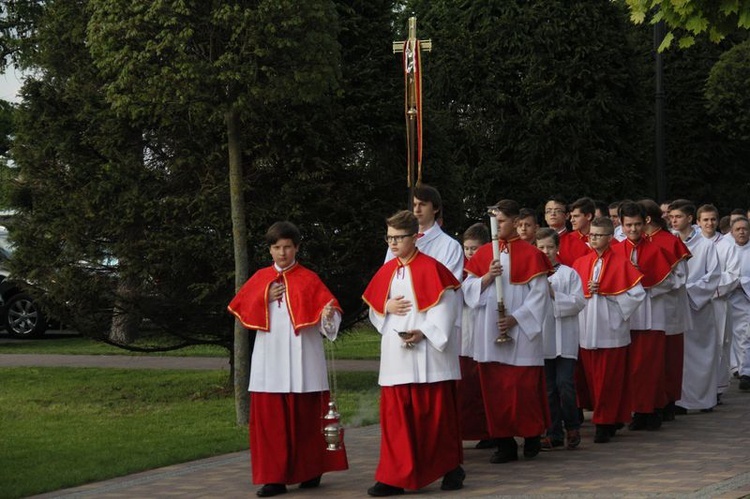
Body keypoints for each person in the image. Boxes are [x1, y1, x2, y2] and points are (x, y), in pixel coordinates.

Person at [227, 221, 348, 498]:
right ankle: (274, 478)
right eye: (277, 248)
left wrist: (329, 317)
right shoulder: (260, 279)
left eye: (288, 247)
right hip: (270, 362)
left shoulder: (310, 278)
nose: (282, 253)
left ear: (297, 248)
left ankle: (310, 470)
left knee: (306, 420)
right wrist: (264, 296)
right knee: (272, 425)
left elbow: (329, 315)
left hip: (304, 360)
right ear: (270, 249)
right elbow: (241, 310)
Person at [363, 210, 465, 496]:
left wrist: (424, 332)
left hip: (430, 357)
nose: (393, 243)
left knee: (435, 419)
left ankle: (450, 468)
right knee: (397, 422)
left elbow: (447, 306)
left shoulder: (433, 268)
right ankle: (393, 477)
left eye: (398, 238)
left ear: (415, 236)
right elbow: (374, 307)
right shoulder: (386, 271)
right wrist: (386, 308)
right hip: (397, 358)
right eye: (389, 237)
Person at [464, 199, 552, 463]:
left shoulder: (532, 254)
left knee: (521, 390)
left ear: (515, 221)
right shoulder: (483, 255)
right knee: (495, 392)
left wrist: (516, 319)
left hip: (521, 336)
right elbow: (467, 290)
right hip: (489, 333)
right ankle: (504, 444)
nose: (497, 225)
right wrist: (487, 277)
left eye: (501, 220)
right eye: (495, 220)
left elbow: (540, 296)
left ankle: (532, 436)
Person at [572, 217, 645, 443]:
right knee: (595, 381)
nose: (593, 238)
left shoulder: (622, 263)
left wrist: (608, 290)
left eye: (598, 235)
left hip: (611, 330)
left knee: (608, 380)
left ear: (610, 237)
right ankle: (611, 418)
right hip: (586, 329)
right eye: (591, 235)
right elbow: (574, 296)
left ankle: (603, 423)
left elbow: (637, 295)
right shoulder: (581, 263)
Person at [611, 202, 677, 431]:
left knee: (651, 366)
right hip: (625, 316)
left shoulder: (657, 249)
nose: (633, 230)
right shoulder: (615, 250)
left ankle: (653, 409)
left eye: (637, 224)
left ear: (645, 223)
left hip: (652, 314)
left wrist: (645, 283)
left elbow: (670, 281)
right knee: (630, 368)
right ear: (621, 224)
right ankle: (636, 411)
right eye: (628, 225)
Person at [639, 198, 691, 421]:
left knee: (668, 359)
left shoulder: (671, 241)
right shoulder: (638, 242)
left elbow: (680, 277)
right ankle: (650, 402)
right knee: (648, 361)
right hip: (640, 309)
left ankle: (668, 401)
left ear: (647, 219)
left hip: (667, 308)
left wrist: (653, 287)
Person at [668, 201, 721, 413]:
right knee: (682, 354)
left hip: (698, 305)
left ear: (690, 218)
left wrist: (688, 290)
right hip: (677, 305)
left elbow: (713, 276)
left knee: (703, 353)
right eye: (671, 217)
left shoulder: (706, 245)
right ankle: (681, 400)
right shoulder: (669, 241)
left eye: (678, 216)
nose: (673, 220)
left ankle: (705, 400)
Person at [535, 228, 586, 450]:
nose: (546, 251)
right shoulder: (533, 275)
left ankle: (572, 426)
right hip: (543, 338)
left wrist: (554, 294)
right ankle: (553, 432)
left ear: (558, 248)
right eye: (541, 247)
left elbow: (578, 302)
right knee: (548, 388)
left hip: (565, 337)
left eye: (549, 247)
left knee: (564, 384)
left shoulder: (568, 273)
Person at [697, 204, 740, 400]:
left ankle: (718, 387)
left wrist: (711, 289)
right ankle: (699, 387)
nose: (710, 223)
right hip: (696, 301)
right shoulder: (694, 243)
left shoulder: (727, 245)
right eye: (705, 219)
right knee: (699, 344)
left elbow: (732, 274)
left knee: (720, 343)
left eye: (713, 219)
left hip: (718, 300)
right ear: (698, 221)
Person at [385, 183, 463, 281]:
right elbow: (386, 277)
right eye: (414, 205)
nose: (417, 210)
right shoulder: (398, 240)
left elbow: (451, 285)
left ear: (435, 208)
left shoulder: (450, 246)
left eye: (422, 204)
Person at [458, 223, 492, 447]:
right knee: (466, 386)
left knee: (482, 385)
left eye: (475, 248)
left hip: (482, 328)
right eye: (466, 248)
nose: (470, 253)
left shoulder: (490, 268)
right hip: (462, 330)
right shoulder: (459, 269)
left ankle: (487, 432)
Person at [728, 217, 750, 389]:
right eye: (738, 229)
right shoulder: (725, 250)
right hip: (731, 299)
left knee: (746, 335)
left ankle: (746, 372)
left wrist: (743, 282)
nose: (741, 232)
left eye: (744, 229)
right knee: (734, 335)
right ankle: (738, 367)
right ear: (731, 232)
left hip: (747, 297)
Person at [544, 196, 591, 267]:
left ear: (567, 216)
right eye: (548, 211)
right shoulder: (537, 241)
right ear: (545, 216)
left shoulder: (578, 244)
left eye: (558, 210)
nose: (552, 214)